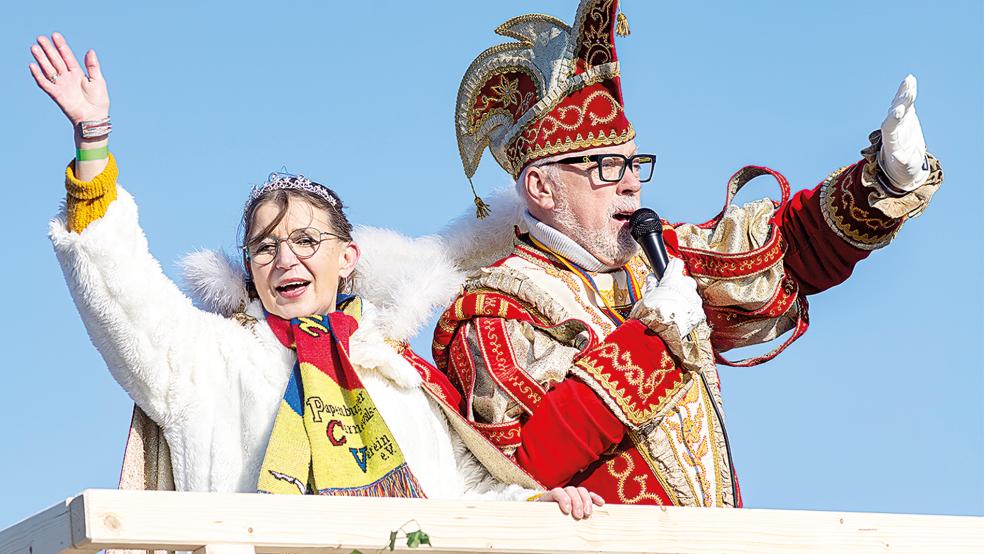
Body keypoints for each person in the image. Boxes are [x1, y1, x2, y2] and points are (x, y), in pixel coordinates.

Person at [29, 32, 603, 517]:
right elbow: (122, 289)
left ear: (348, 257)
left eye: (307, 241)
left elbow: (465, 495)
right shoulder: (207, 358)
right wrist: (92, 144)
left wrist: (541, 506)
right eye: (265, 247)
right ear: (250, 270)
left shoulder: (400, 375)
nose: (285, 260)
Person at [426, 0, 944, 507]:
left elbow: (782, 255)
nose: (631, 186)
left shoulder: (658, 261)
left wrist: (884, 180)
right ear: (541, 187)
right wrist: (654, 338)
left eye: (635, 165)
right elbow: (516, 469)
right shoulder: (494, 308)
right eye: (607, 167)